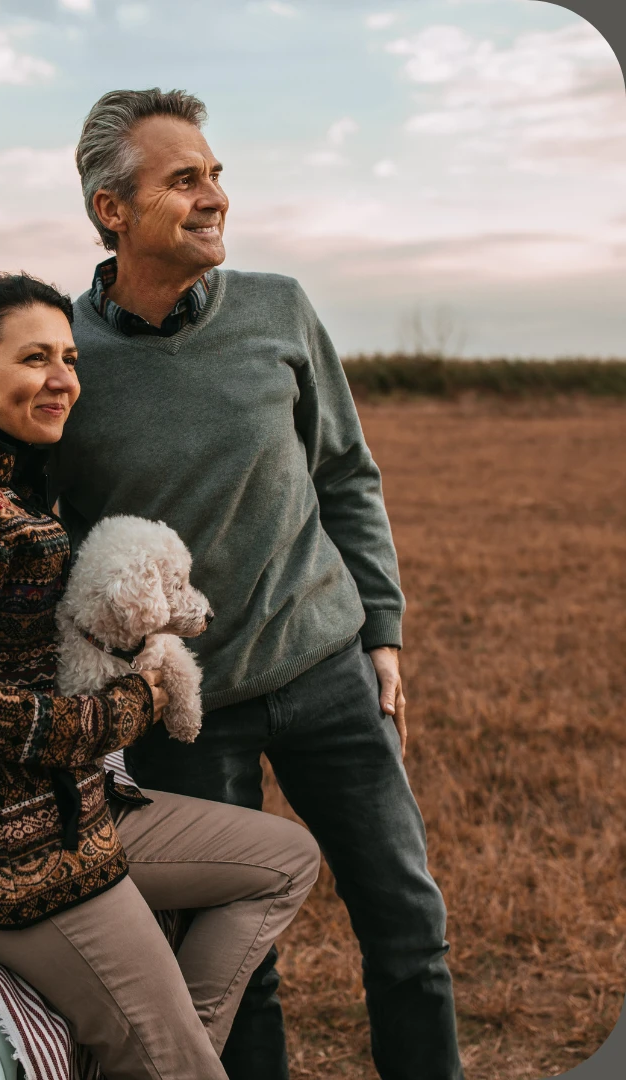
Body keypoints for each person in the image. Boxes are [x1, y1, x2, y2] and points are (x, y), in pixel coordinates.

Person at [49, 89, 465, 1080]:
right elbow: (46, 543)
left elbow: (346, 476)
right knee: (237, 964)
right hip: (185, 718)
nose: (214, 197)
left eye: (217, 175)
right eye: (184, 179)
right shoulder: (65, 356)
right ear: (114, 210)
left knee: (410, 930)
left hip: (326, 677)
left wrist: (383, 635)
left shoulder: (280, 309)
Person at [0, 271, 320, 1080]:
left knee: (284, 860)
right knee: (180, 1064)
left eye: (68, 357)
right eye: (34, 357)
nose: (63, 377)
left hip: (69, 811)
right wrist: (127, 707)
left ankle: (161, 1058)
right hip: (4, 854)